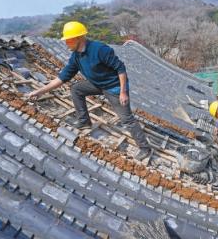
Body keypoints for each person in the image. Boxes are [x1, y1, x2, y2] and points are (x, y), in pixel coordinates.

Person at [27, 21, 151, 160]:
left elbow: (120, 69)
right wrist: (40, 91)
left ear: (79, 38)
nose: (66, 43)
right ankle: (84, 121)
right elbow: (62, 78)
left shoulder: (100, 49)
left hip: (114, 87)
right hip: (97, 84)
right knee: (76, 89)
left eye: (69, 40)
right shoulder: (76, 57)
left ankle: (145, 148)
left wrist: (123, 92)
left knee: (126, 119)